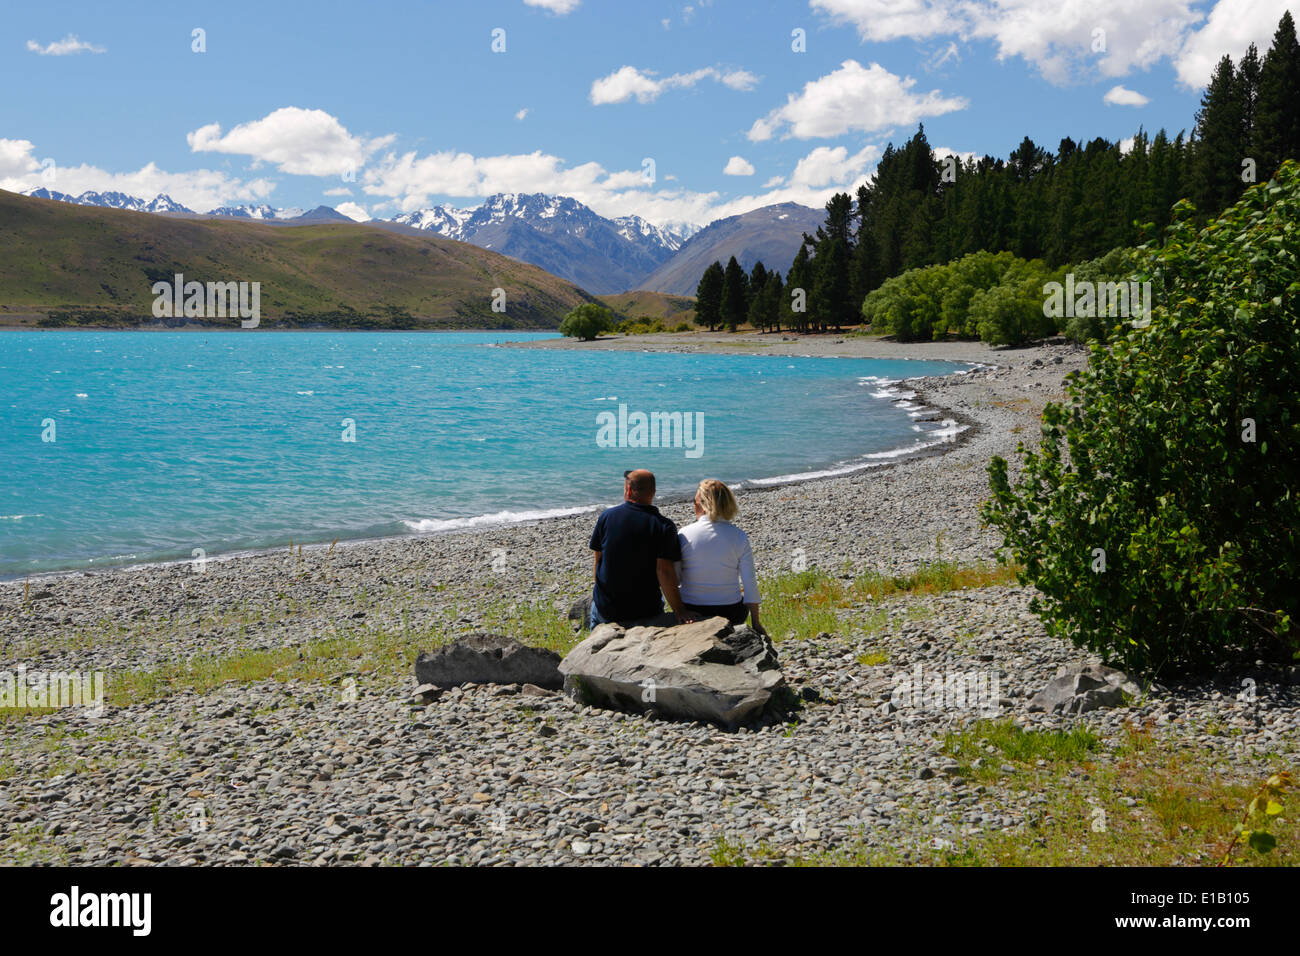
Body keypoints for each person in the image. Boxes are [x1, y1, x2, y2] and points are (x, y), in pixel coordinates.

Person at [588, 469, 691, 628]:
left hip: (606, 608)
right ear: (654, 492)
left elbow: (598, 559)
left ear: (628, 490)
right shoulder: (663, 526)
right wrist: (680, 610)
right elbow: (664, 571)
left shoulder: (607, 517)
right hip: (645, 609)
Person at [675, 479, 766, 635]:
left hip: (693, 611)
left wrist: (679, 610)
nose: (693, 506)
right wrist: (756, 623)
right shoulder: (739, 536)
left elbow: (675, 579)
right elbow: (749, 583)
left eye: (695, 501)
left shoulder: (684, 534)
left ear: (703, 504)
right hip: (731, 613)